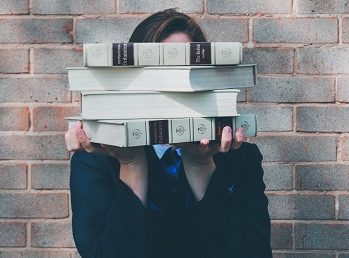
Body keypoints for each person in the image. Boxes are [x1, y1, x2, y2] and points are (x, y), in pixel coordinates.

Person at [65, 8, 272, 258]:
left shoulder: (241, 157)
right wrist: (131, 164)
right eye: (159, 75)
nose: (174, 91)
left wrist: (201, 165)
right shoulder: (96, 159)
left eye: (184, 74)